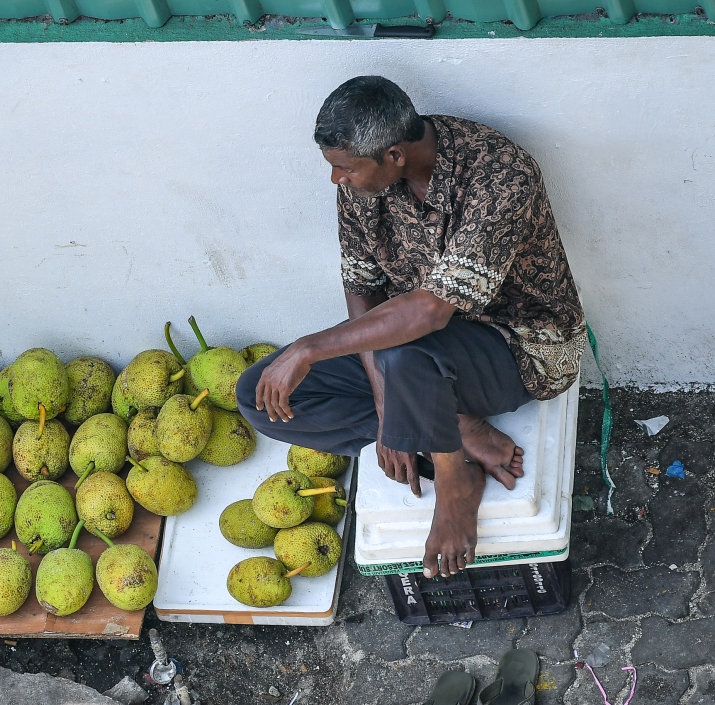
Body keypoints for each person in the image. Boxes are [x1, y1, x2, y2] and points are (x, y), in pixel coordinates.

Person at [236, 76, 586, 579]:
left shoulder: (499, 174)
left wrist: (310, 347)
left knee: (406, 353)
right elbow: (363, 286)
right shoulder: (365, 181)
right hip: (414, 349)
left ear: (395, 155)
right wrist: (385, 404)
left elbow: (430, 313)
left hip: (519, 346)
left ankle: (455, 482)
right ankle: (452, 426)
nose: (337, 180)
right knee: (258, 395)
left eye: (344, 169)